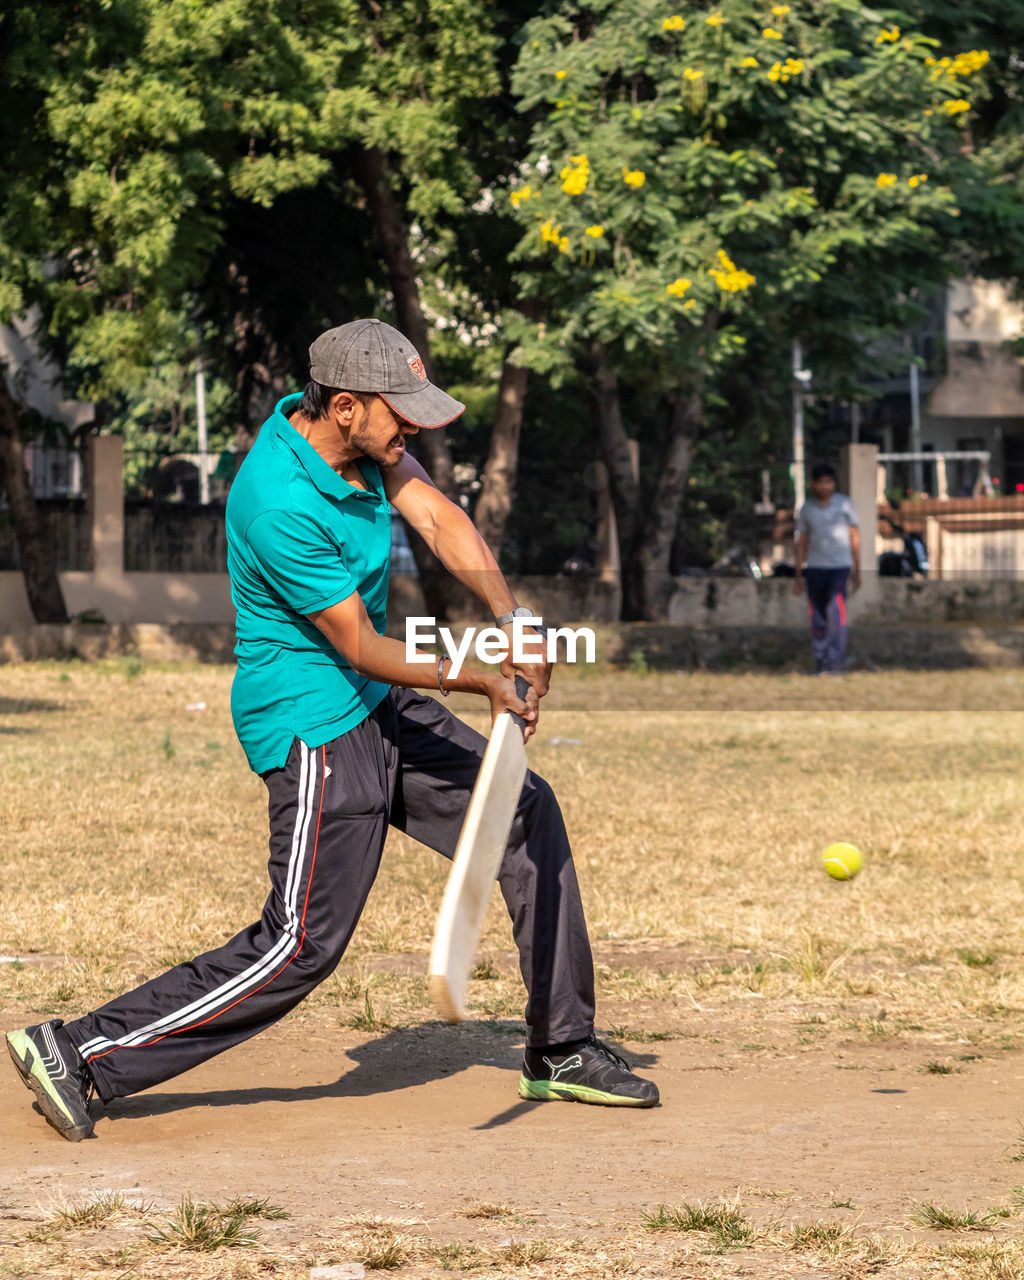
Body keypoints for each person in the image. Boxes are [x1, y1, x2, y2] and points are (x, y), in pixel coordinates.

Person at [6, 318, 658, 1142]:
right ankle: (78, 1049)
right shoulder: (277, 499)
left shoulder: (366, 451)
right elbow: (362, 643)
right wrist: (484, 674)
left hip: (374, 699)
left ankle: (561, 1048)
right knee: (300, 945)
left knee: (526, 813)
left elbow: (441, 519)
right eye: (402, 413)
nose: (414, 429)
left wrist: (514, 617)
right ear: (345, 406)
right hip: (315, 723)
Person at [792, 462, 861, 674]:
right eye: (821, 483)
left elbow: (854, 537)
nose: (825, 487)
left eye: (829, 482)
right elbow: (802, 541)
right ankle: (821, 661)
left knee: (836, 611)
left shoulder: (845, 504)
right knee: (818, 615)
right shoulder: (807, 509)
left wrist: (858, 568)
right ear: (813, 484)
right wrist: (798, 573)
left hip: (840, 567)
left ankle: (836, 660)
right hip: (815, 568)